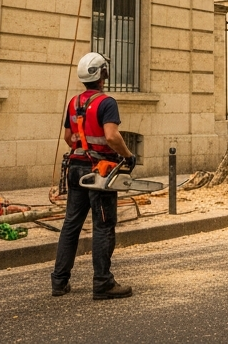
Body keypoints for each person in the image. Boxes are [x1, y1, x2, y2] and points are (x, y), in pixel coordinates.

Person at [51, 52, 136, 299]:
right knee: (103, 225)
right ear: (102, 75)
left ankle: (59, 281)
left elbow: (69, 138)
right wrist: (128, 156)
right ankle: (102, 282)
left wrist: (82, 144)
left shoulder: (73, 103)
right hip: (99, 173)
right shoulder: (106, 102)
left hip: (76, 168)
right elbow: (111, 136)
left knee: (71, 224)